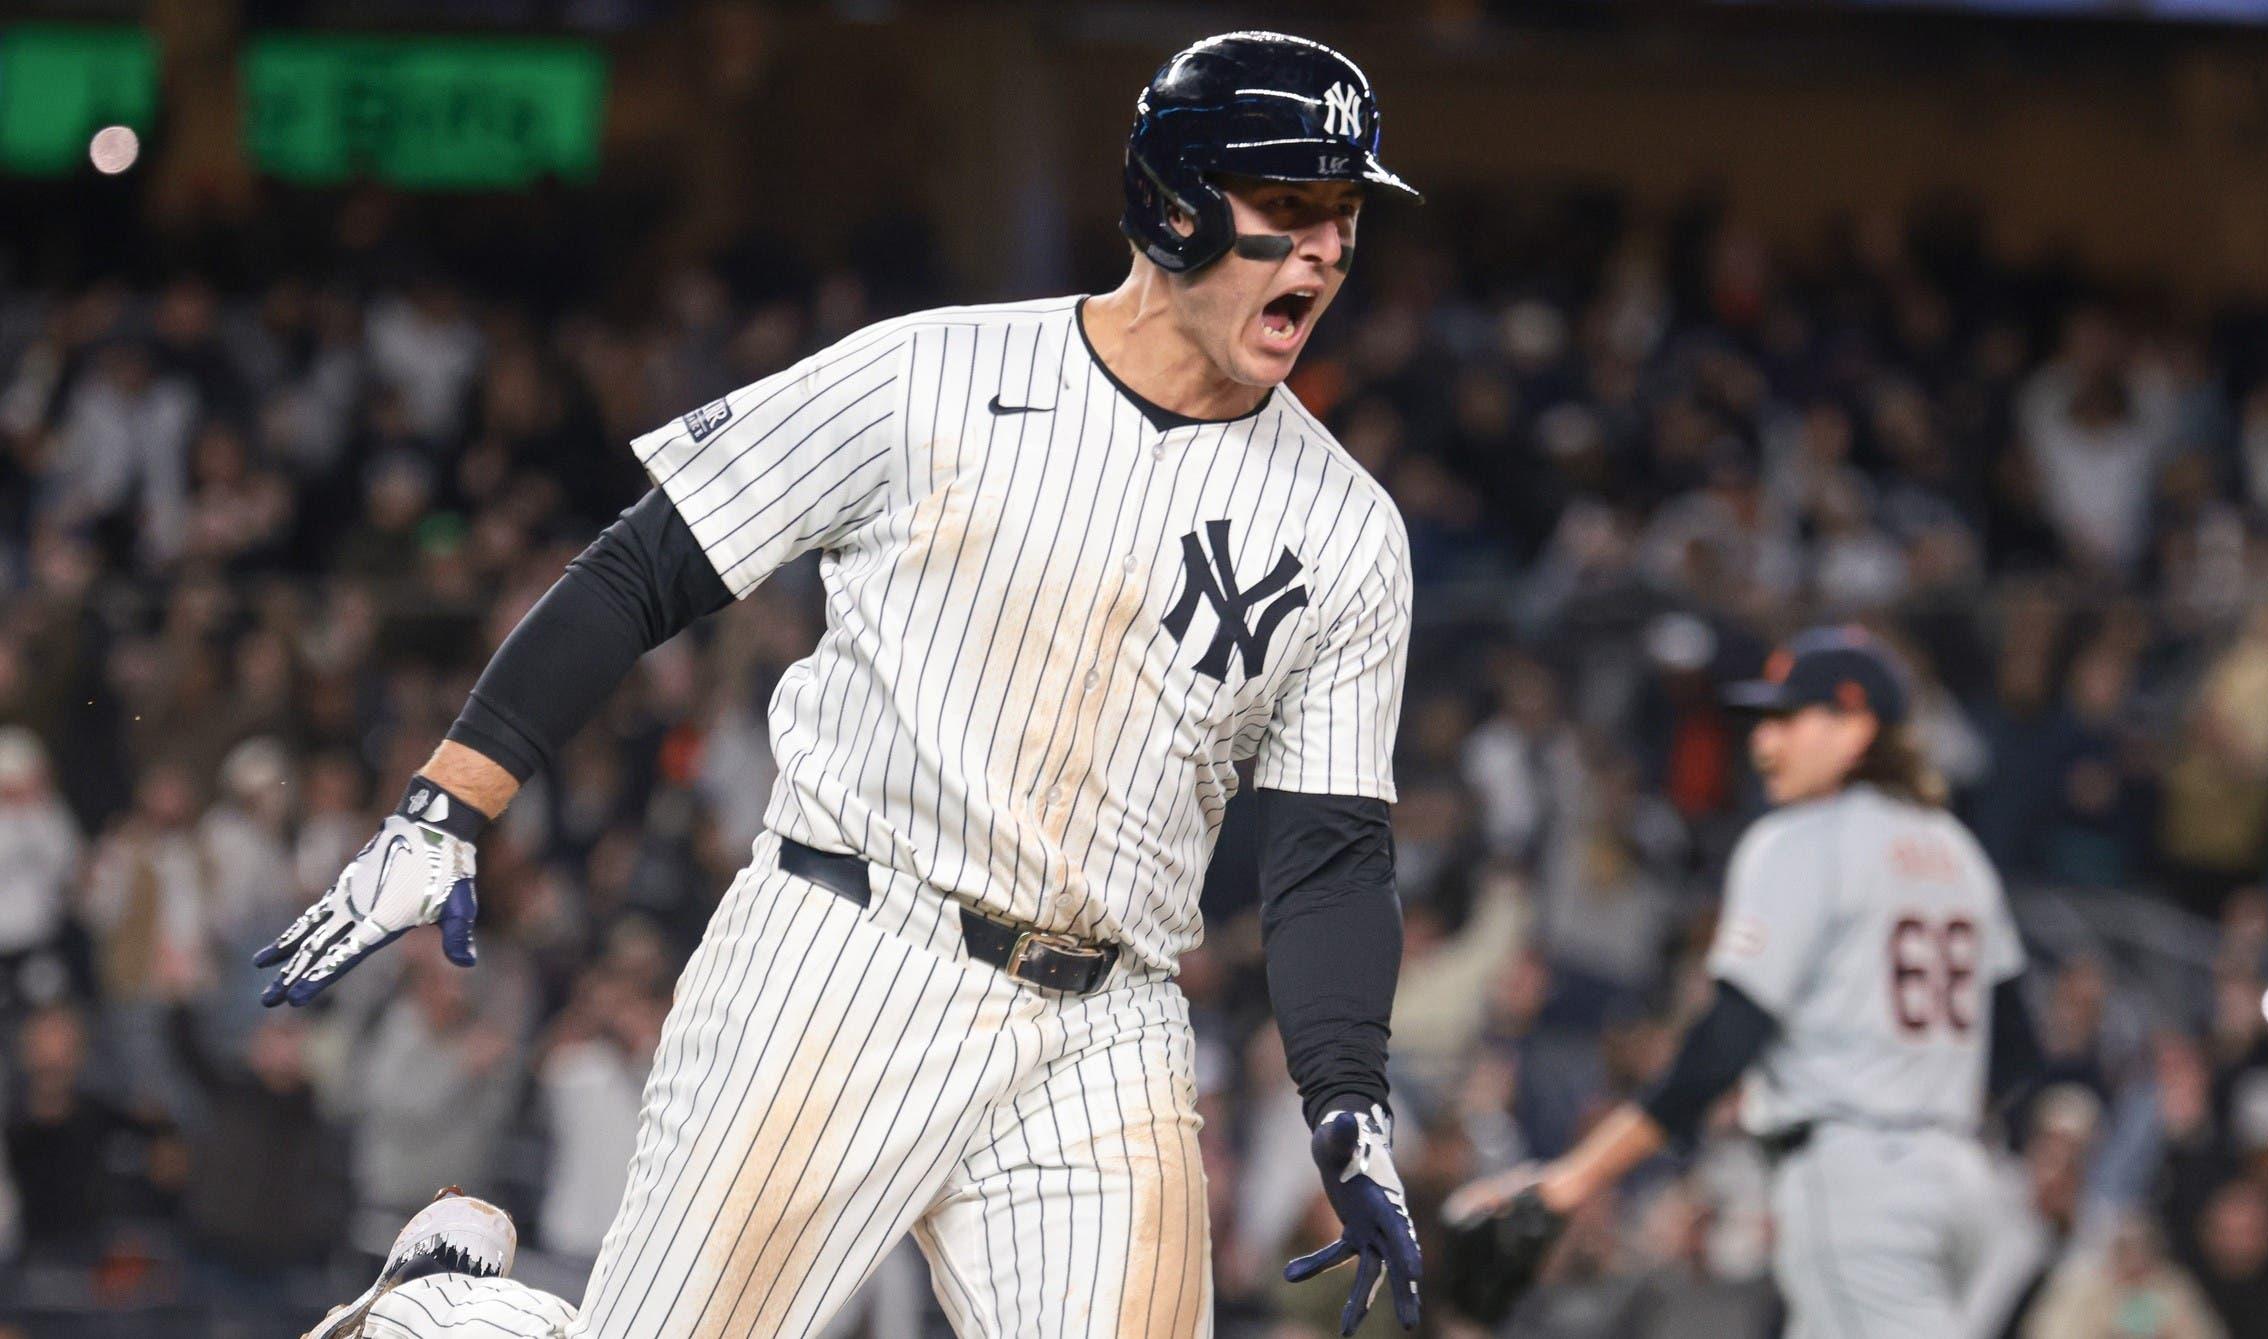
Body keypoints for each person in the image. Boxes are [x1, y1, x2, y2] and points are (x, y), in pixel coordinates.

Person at [263, 30, 1425, 1339]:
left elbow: (1331, 851)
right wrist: (446, 800)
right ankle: (436, 1312)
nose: (1324, 249)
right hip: (853, 953)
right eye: (1287, 206)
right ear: (1171, 201)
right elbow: (644, 567)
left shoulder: (1348, 528)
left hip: (1110, 1024)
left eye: (1341, 213)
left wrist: (1346, 1089)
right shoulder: (932, 373)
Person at [1449, 626, 2043, 1336]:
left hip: (1855, 1180)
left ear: (1854, 729)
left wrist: (1574, 1178)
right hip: (1960, 1182)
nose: (1765, 742)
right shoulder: (1956, 852)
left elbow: (1723, 1042)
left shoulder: (1800, 839)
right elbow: (2014, 1048)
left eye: (1789, 719)